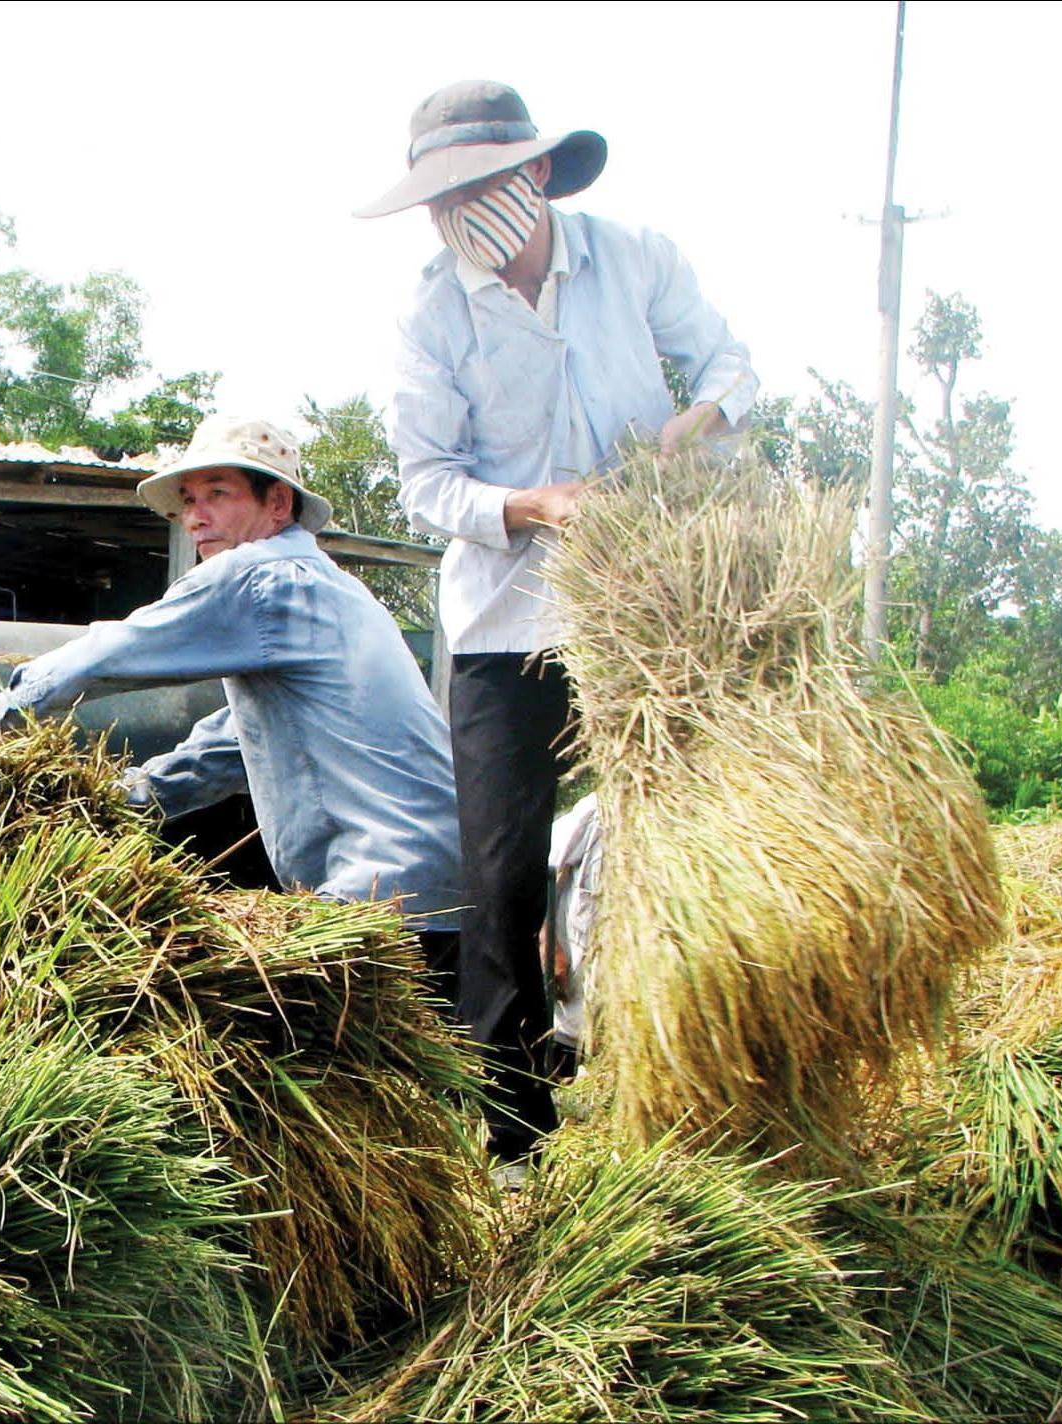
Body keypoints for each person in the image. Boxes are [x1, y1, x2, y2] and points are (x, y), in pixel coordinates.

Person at [357, 79, 758, 1166]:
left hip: (648, 613)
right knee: (501, 876)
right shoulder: (431, 314)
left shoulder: (631, 258)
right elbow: (425, 484)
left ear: (536, 173)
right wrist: (533, 506)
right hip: (505, 624)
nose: (463, 213)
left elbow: (731, 366)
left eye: (482, 185)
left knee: (684, 845)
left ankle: (702, 1091)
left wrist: (687, 432)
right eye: (443, 198)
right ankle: (514, 1139)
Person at [0, 413, 464, 962]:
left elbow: (119, 649)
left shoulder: (262, 577)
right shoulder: (328, 592)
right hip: (440, 888)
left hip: (376, 889)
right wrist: (117, 800)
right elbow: (231, 747)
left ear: (277, 504)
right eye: (187, 500)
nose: (195, 517)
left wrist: (5, 715)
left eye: (217, 494)